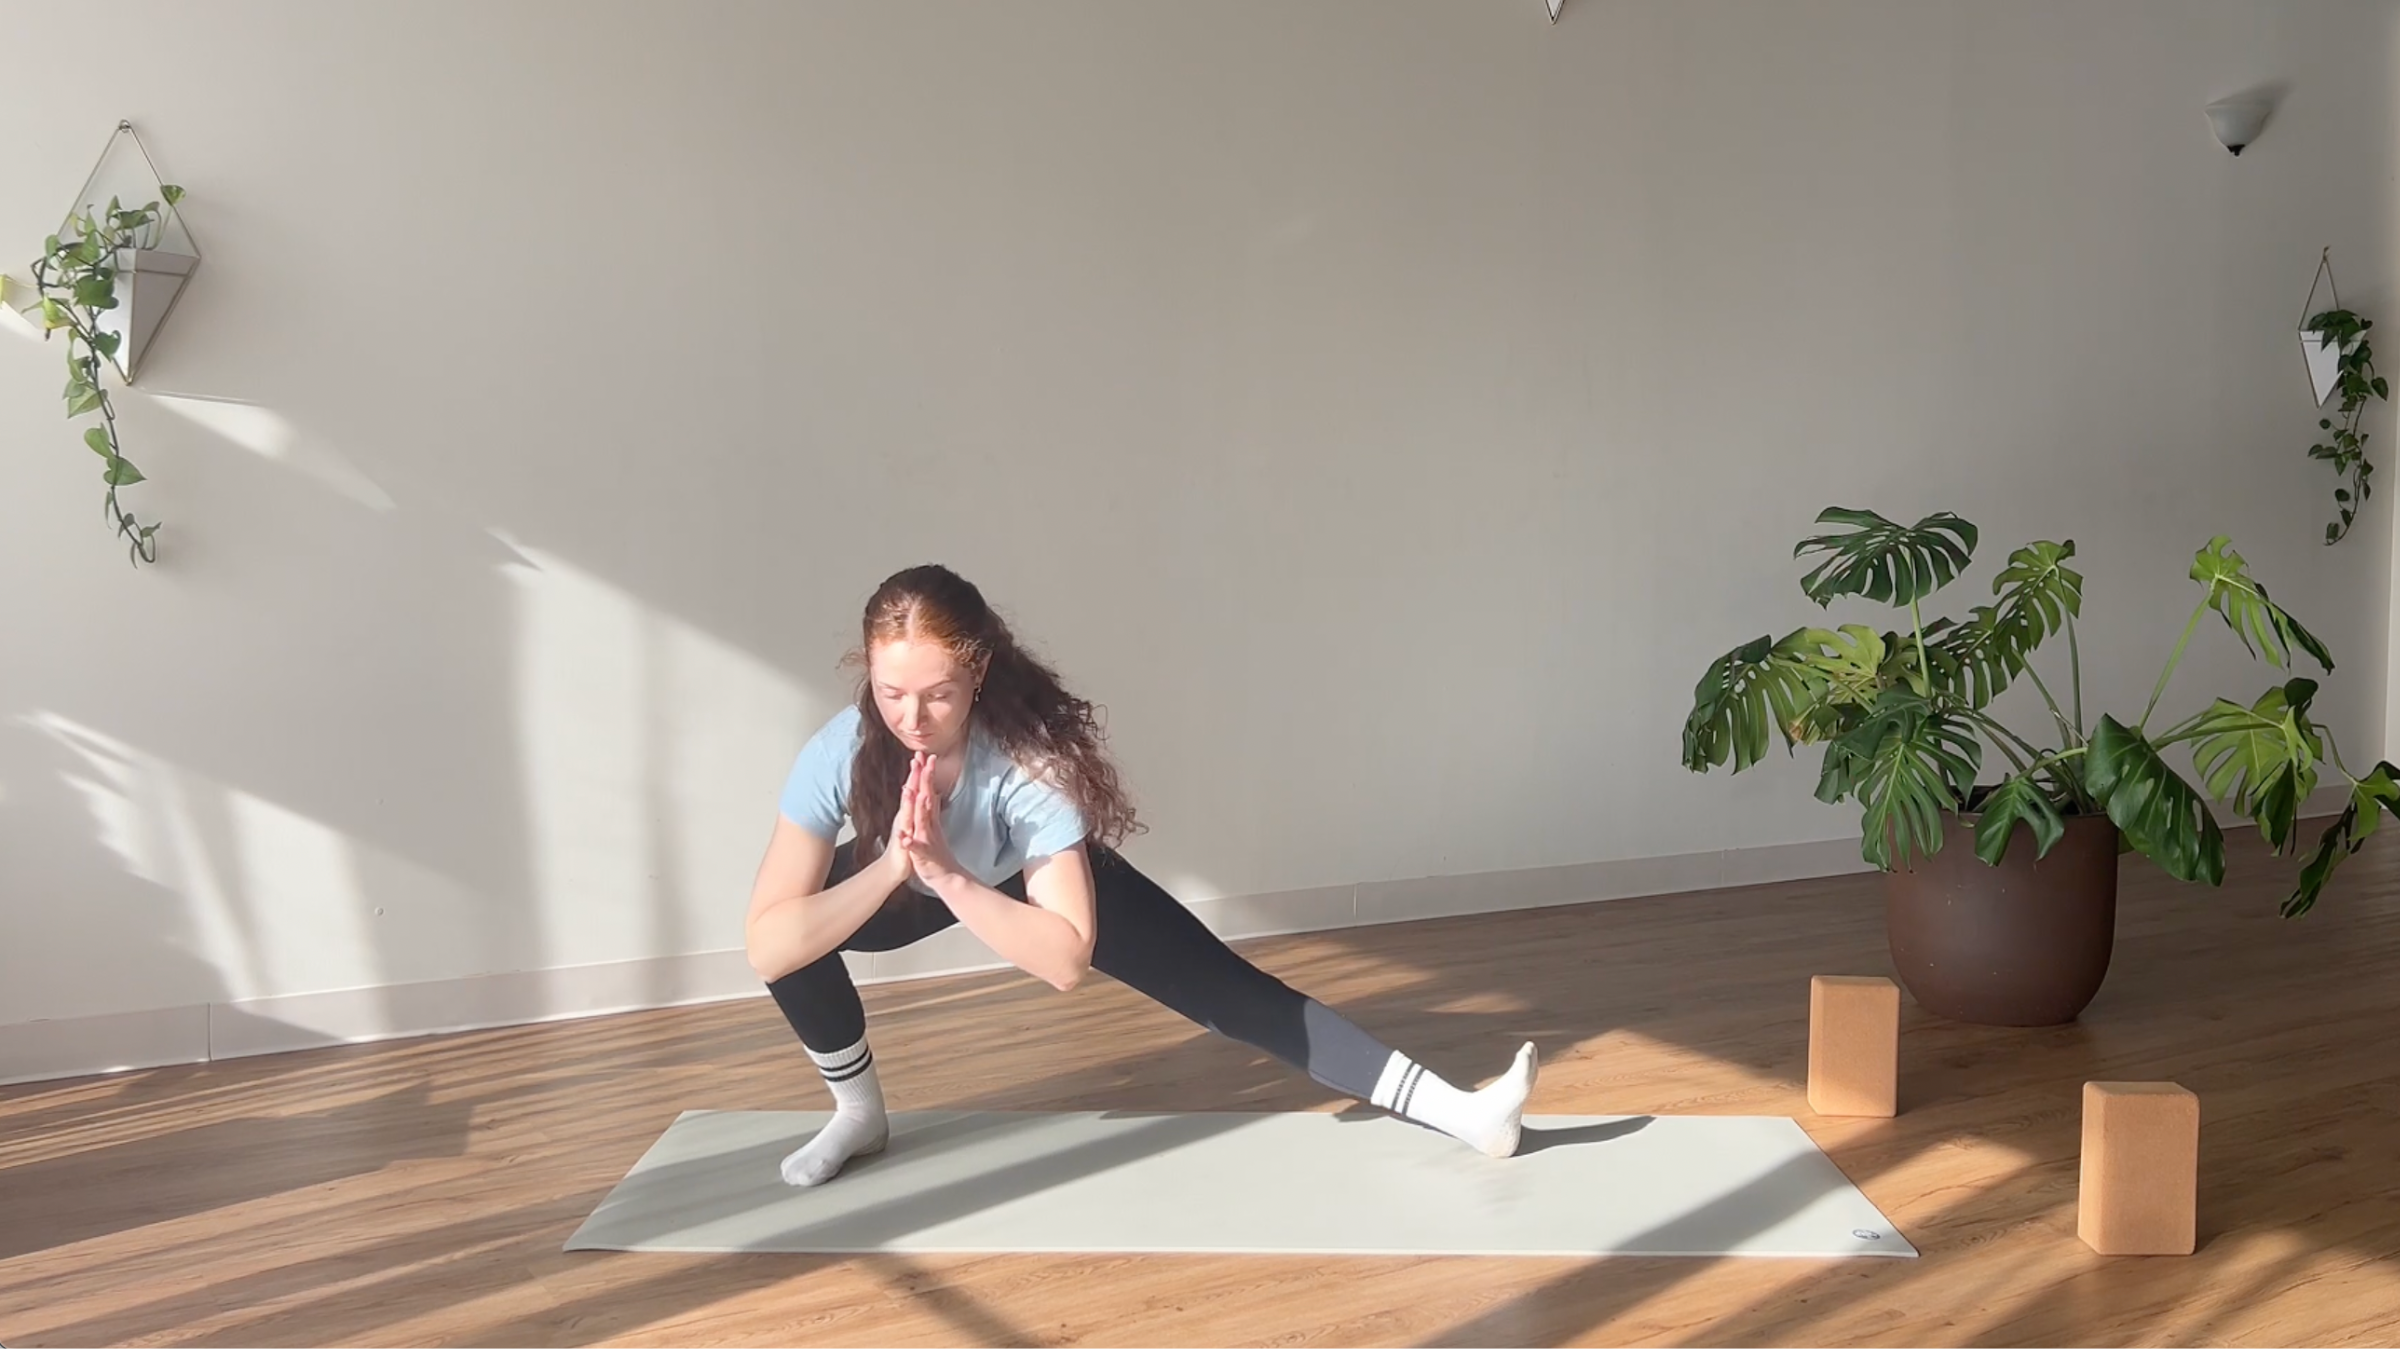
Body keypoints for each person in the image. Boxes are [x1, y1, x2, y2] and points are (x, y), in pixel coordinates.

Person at [744, 563, 1539, 1187]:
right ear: (867, 676)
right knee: (800, 932)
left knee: (1234, 996)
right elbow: (769, 946)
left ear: (978, 674)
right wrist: (893, 865)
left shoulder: (1028, 768)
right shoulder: (840, 752)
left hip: (1006, 880)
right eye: (891, 693)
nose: (912, 717)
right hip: (898, 878)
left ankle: (1466, 1115)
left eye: (938, 694)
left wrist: (951, 875)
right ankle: (859, 1116)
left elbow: (1063, 962)